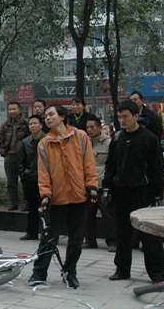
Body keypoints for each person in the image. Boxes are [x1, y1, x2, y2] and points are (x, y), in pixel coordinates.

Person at [28, 105, 98, 290]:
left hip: (79, 197)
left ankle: (70, 272)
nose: (47, 118)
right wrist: (45, 195)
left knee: (76, 239)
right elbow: (43, 172)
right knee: (49, 238)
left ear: (62, 117)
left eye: (51, 114)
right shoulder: (44, 143)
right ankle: (38, 273)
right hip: (57, 198)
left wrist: (92, 186)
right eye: (46, 116)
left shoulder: (81, 136)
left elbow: (89, 164)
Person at [103, 100, 164, 284]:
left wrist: (157, 193)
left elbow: (157, 168)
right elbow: (111, 166)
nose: (122, 120)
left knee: (148, 234)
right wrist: (107, 187)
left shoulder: (149, 138)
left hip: (143, 192)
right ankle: (122, 269)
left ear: (135, 116)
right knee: (122, 233)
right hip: (121, 191)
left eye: (125, 116)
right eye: (119, 117)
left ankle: (157, 273)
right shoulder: (117, 139)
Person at [83, 114, 112, 250]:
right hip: (88, 183)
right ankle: (89, 240)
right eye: (87, 127)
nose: (89, 129)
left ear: (99, 127)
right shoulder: (84, 142)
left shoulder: (108, 143)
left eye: (92, 127)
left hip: (102, 183)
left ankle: (112, 241)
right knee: (87, 214)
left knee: (108, 214)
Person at [0, 101, 29, 211]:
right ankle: (13, 203)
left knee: (25, 181)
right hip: (9, 156)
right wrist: (3, 152)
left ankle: (27, 203)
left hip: (22, 157)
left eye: (14, 109)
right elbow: (0, 139)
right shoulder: (5, 125)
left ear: (19, 110)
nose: (12, 111)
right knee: (11, 182)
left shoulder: (26, 124)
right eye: (10, 109)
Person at [19, 115, 46, 240]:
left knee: (46, 207)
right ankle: (32, 232)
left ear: (41, 125)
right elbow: (21, 162)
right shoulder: (25, 142)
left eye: (35, 123)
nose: (33, 126)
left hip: (45, 179)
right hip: (30, 179)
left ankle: (47, 233)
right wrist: (24, 174)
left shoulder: (47, 140)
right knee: (32, 207)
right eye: (30, 124)